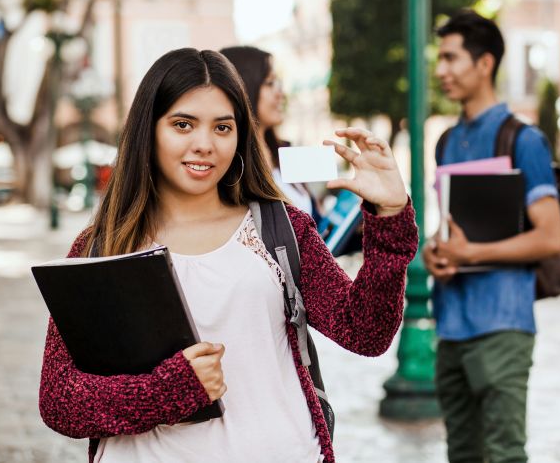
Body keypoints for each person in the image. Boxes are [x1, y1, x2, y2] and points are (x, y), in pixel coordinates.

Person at [39, 48, 418, 463]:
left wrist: (390, 218)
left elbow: (365, 333)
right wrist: (167, 392)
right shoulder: (101, 246)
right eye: (183, 124)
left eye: (223, 127)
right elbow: (60, 400)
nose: (204, 144)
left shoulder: (282, 228)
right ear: (149, 129)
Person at [422, 11, 560, 463]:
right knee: (461, 453)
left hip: (503, 325)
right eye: (439, 59)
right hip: (451, 326)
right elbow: (448, 227)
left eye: (451, 58)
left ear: (485, 64)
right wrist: (436, 252)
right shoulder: (446, 140)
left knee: (504, 455)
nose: (441, 70)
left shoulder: (523, 139)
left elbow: (552, 237)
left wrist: (472, 252)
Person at [219, 45, 321, 223]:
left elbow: (317, 220)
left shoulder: (285, 150)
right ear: (243, 87)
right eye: (269, 83)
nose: (281, 93)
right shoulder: (230, 166)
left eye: (278, 83)